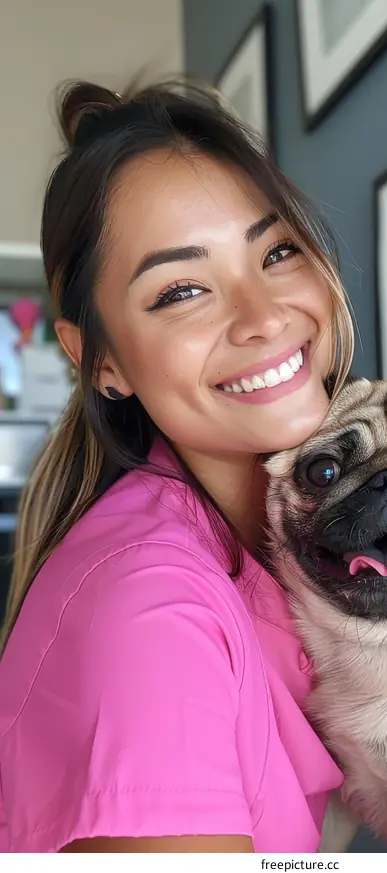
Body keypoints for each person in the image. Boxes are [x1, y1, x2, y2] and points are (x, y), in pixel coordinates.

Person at [0, 79, 354, 853]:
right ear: (102, 363)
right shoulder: (146, 611)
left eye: (278, 250)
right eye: (182, 289)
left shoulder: (299, 551)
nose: (263, 315)